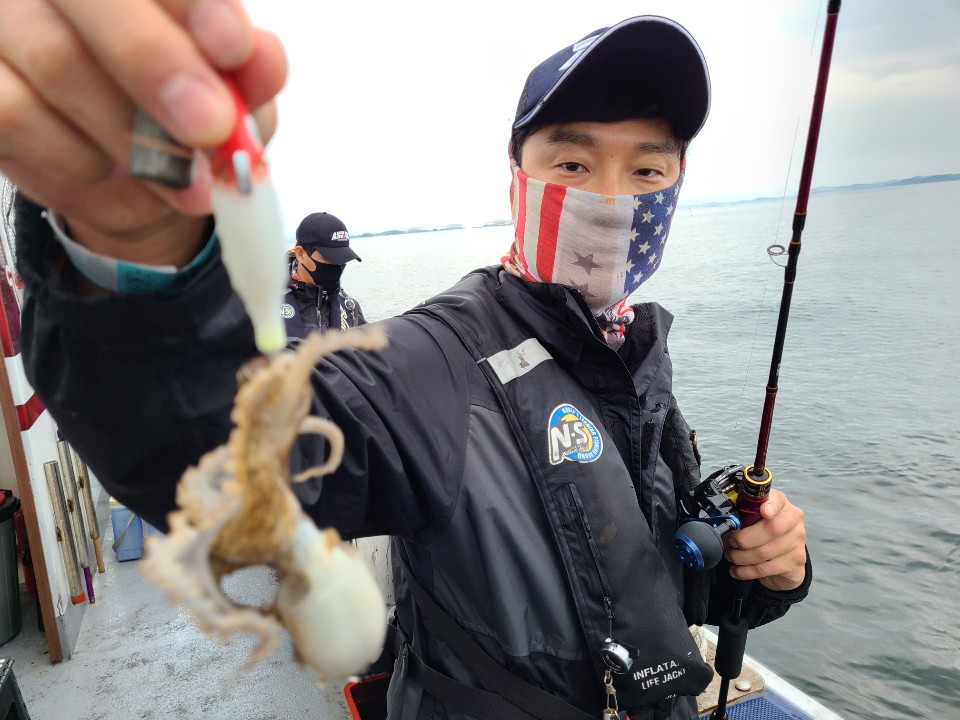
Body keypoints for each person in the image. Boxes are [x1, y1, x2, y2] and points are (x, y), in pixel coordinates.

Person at [0, 7, 810, 720]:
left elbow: (656, 581)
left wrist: (762, 570)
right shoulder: (431, 360)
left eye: (646, 170)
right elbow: (218, 451)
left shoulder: (636, 355)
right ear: (518, 178)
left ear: (676, 184)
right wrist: (130, 258)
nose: (611, 196)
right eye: (572, 164)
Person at [284, 211, 366, 336]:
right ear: (300, 254)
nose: (336, 266)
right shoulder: (266, 306)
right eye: (328, 258)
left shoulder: (350, 308)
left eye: (342, 259)